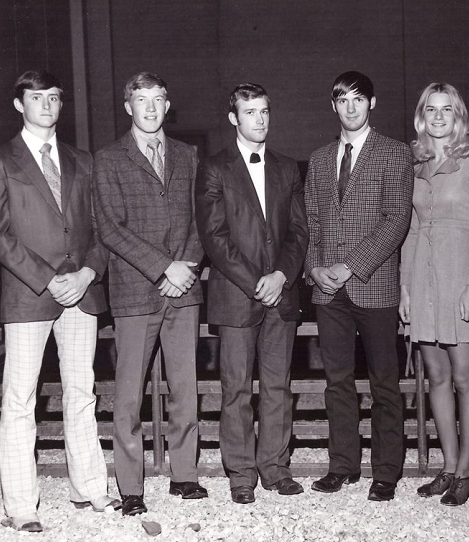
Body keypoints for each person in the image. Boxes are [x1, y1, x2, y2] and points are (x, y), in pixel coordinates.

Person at [0, 70, 118, 532]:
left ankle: (92, 489)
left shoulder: (84, 161)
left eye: (54, 98)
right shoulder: (0, 160)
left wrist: (87, 272)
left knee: (81, 394)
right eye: (37, 98)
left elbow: (103, 229)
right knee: (20, 399)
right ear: (20, 104)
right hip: (29, 295)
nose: (47, 105)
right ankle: (20, 505)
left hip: (81, 293)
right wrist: (47, 278)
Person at [92, 72, 206, 516]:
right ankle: (131, 486)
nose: (152, 108)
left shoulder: (187, 155)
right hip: (136, 289)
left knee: (185, 388)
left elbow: (201, 221)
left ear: (167, 103)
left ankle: (185, 476)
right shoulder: (109, 159)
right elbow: (111, 228)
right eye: (142, 100)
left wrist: (185, 267)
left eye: (159, 98)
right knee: (127, 395)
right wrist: (163, 268)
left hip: (184, 290)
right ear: (128, 107)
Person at [195, 83, 308, 504]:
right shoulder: (214, 168)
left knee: (278, 385)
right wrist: (255, 280)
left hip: (281, 294)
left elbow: (299, 231)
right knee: (237, 387)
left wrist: (281, 275)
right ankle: (241, 473)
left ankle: (275, 467)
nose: (259, 120)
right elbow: (214, 236)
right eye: (250, 112)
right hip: (236, 295)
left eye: (264, 111)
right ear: (233, 119)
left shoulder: (286, 167)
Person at [304, 71, 413, 501]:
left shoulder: (395, 153)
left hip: (374, 285)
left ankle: (386, 471)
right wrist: (315, 269)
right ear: (333, 106)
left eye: (357, 99)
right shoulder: (318, 158)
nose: (350, 107)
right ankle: (343, 465)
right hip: (328, 291)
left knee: (385, 383)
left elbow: (396, 220)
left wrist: (350, 266)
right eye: (341, 100)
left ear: (372, 103)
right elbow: (311, 222)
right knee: (337, 381)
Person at [399, 83, 469, 506]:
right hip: (422, 276)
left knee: (463, 376)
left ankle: (467, 470)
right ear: (422, 116)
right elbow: (411, 230)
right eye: (430, 109)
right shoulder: (414, 162)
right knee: (435, 377)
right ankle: (448, 466)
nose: (438, 117)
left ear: (459, 115)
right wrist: (404, 287)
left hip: (461, 277)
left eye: (447, 109)